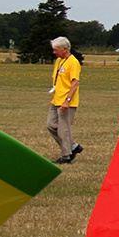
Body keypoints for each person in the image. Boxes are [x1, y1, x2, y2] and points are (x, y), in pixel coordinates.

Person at [47, 36, 83, 164]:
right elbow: (58, 82)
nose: (54, 52)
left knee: (64, 129)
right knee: (51, 125)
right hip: (56, 99)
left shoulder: (73, 62)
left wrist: (67, 100)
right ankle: (73, 146)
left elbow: (74, 83)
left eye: (56, 50)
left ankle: (66, 155)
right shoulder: (58, 61)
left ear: (65, 49)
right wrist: (53, 98)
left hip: (66, 102)